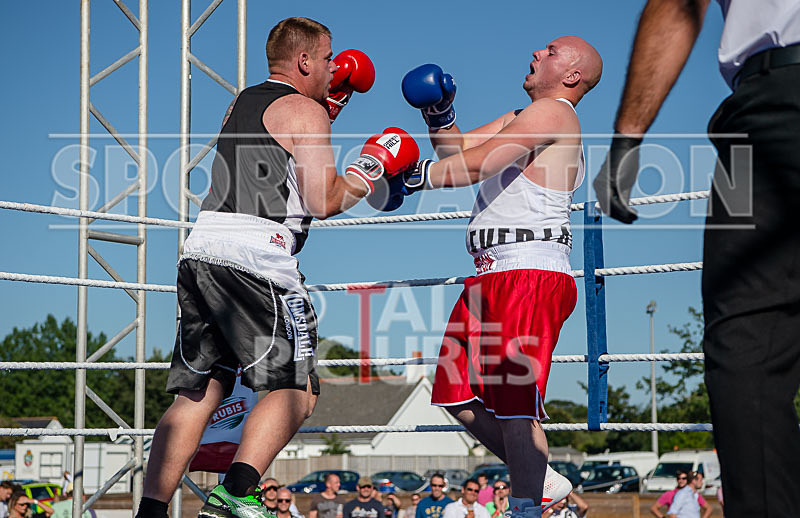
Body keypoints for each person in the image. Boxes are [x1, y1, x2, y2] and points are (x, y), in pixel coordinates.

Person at [133, 16, 416, 518]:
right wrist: (371, 165)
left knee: (200, 391)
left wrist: (329, 108)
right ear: (306, 60)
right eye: (328, 59)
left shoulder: (242, 102)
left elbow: (276, 158)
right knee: (296, 388)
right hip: (257, 258)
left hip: (201, 252)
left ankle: (151, 511)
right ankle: (236, 494)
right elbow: (322, 199)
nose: (334, 68)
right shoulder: (307, 112)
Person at [592, 1, 800, 515]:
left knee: (745, 341)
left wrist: (627, 139)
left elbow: (679, 4)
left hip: (768, 104)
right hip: (760, 110)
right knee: (743, 342)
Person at [394, 36, 602, 518]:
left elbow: (476, 165)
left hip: (528, 271)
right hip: (490, 276)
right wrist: (439, 115)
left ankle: (526, 507)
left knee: (513, 405)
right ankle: (545, 480)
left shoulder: (557, 114)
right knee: (454, 391)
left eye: (550, 52)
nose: (535, 53)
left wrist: (412, 176)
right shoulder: (520, 118)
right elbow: (461, 149)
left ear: (571, 75)